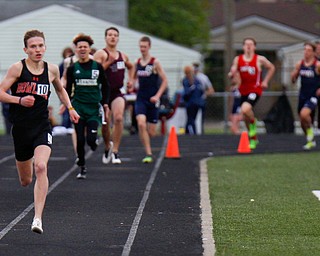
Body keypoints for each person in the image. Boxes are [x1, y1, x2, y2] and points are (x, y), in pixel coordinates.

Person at [0, 29, 79, 234]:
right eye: (33, 46)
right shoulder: (17, 69)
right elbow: (0, 92)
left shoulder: (51, 69)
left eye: (40, 46)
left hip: (42, 127)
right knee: (26, 180)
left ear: (45, 47)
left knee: (41, 167)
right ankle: (33, 199)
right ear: (25, 49)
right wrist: (18, 100)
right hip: (21, 130)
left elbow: (61, 90)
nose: (37, 50)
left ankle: (37, 218)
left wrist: (70, 109)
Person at [65, 33, 109, 179]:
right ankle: (82, 165)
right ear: (76, 50)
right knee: (79, 138)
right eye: (80, 47)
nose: (82, 49)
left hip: (93, 108)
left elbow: (106, 86)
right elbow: (67, 89)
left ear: (90, 49)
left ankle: (94, 141)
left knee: (90, 139)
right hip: (78, 107)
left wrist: (105, 103)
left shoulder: (97, 67)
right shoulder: (72, 68)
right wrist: (68, 105)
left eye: (85, 47)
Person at [94, 27, 134, 164]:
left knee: (118, 118)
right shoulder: (101, 54)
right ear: (105, 38)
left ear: (118, 38)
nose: (113, 37)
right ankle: (107, 146)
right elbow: (94, 71)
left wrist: (131, 81)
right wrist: (109, 62)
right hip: (103, 93)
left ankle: (115, 151)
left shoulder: (123, 55)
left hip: (117, 92)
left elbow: (131, 67)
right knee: (105, 123)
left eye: (115, 35)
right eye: (110, 35)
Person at [228, 37, 275, 149]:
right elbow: (233, 70)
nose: (248, 46)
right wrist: (231, 74)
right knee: (245, 117)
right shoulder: (238, 59)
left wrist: (265, 81)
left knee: (245, 109)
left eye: (251, 44)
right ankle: (253, 137)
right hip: (242, 90)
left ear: (254, 47)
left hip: (255, 89)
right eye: (246, 44)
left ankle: (253, 128)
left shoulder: (259, 59)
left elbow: (271, 67)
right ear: (243, 47)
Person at [132, 36, 168, 163]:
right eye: (141, 46)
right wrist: (130, 84)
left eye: (145, 47)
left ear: (149, 47)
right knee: (141, 123)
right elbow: (133, 79)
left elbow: (165, 80)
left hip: (153, 99)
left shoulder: (155, 62)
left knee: (151, 131)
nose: (142, 49)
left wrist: (157, 96)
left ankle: (148, 142)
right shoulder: (137, 63)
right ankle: (148, 153)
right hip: (141, 98)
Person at [291, 42, 320, 150]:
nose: (306, 52)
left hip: (313, 95)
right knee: (302, 120)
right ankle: (310, 139)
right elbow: (293, 80)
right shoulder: (300, 64)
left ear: (313, 52)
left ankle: (311, 130)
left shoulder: (317, 65)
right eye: (304, 50)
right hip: (302, 94)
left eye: (308, 50)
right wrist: (293, 76)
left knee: (304, 114)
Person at [192, 62, 215, 134]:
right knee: (191, 119)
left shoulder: (203, 77)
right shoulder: (190, 77)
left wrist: (204, 94)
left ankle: (200, 133)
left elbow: (211, 90)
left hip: (200, 101)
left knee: (200, 119)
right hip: (191, 102)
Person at [182, 65, 204, 135]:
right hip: (190, 103)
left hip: (195, 102)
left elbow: (201, 91)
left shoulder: (196, 80)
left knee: (192, 118)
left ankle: (190, 132)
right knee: (191, 118)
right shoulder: (186, 80)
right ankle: (191, 132)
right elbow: (187, 92)